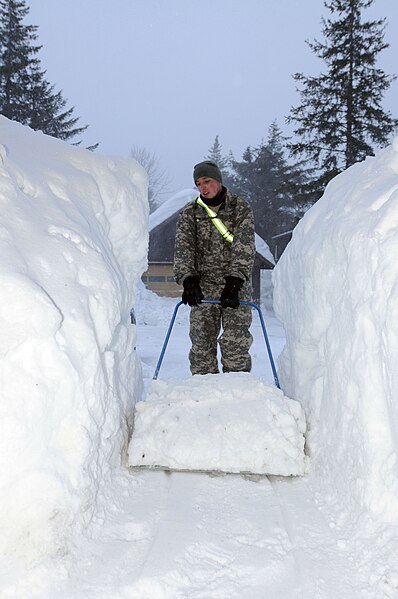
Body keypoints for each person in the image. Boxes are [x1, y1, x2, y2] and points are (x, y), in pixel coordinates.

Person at [174, 160, 256, 375]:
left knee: (235, 345)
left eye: (207, 181)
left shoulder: (240, 208)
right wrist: (188, 280)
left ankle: (237, 393)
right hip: (203, 287)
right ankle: (204, 393)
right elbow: (184, 249)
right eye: (199, 183)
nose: (203, 187)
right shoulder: (190, 213)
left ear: (218, 181)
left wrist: (236, 280)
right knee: (201, 346)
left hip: (235, 286)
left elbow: (245, 246)